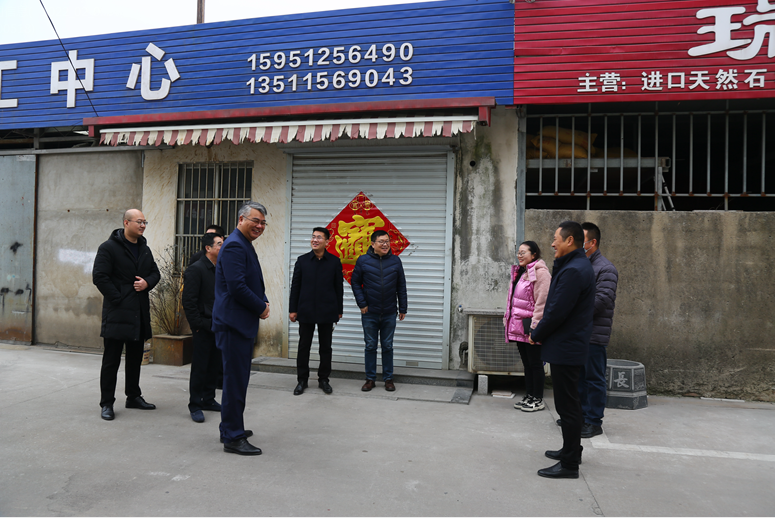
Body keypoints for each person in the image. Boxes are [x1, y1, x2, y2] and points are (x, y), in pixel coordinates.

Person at [530, 221, 595, 479]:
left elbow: (557, 311)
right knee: (570, 404)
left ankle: (569, 465)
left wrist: (536, 334)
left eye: (556, 239)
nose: (552, 243)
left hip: (567, 347)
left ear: (569, 240)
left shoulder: (574, 271)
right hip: (568, 345)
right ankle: (572, 450)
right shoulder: (574, 266)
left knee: (567, 407)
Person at [212, 202, 270, 456]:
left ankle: (230, 427)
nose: (259, 226)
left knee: (237, 380)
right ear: (241, 219)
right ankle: (233, 437)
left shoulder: (243, 243)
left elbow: (251, 280)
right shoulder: (235, 245)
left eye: (263, 223)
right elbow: (237, 287)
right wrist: (260, 307)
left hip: (239, 323)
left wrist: (263, 300)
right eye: (255, 221)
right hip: (233, 324)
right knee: (235, 382)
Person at [92, 209, 160, 421]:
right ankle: (107, 403)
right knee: (111, 361)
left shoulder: (144, 248)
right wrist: (119, 297)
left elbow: (155, 273)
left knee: (134, 359)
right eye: (139, 221)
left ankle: (133, 396)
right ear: (126, 222)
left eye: (144, 222)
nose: (143, 225)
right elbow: (99, 277)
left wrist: (147, 283)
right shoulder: (108, 248)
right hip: (117, 313)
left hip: (138, 313)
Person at [288, 227, 344, 396]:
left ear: (327, 241)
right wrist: (293, 309)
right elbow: (295, 287)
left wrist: (339, 310)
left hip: (327, 310)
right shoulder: (302, 261)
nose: (315, 240)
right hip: (305, 310)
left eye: (319, 237)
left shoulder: (334, 262)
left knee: (325, 347)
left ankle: (324, 379)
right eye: (313, 237)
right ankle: (302, 380)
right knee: (303, 346)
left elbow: (338, 288)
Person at [351, 230, 407, 392]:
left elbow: (401, 285)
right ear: (373, 244)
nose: (385, 244)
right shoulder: (363, 260)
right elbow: (355, 283)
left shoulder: (395, 261)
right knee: (370, 346)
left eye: (387, 241)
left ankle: (388, 379)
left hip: (389, 311)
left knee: (387, 346)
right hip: (370, 312)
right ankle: (370, 379)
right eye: (381, 241)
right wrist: (362, 303)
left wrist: (403, 307)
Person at [578, 222, 619, 438]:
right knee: (579, 379)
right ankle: (580, 416)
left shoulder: (606, 268)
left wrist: (571, 309)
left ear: (592, 242)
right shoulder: (580, 265)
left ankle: (593, 421)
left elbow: (601, 300)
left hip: (594, 334)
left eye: (580, 240)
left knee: (593, 379)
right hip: (578, 333)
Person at [182, 232, 224, 423]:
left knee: (214, 365)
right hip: (203, 326)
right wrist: (197, 325)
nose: (223, 247)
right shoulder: (196, 269)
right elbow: (188, 301)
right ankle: (195, 404)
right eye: (219, 244)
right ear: (208, 248)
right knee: (200, 367)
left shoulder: (219, 268)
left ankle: (208, 399)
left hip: (218, 324)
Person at [505, 241, 551, 412]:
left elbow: (542, 302)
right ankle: (530, 395)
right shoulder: (522, 272)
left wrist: (535, 327)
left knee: (536, 364)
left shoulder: (541, 273)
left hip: (532, 327)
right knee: (527, 364)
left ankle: (537, 399)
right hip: (520, 326)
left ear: (534, 254)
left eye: (523, 252)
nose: (520, 255)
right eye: (518, 252)